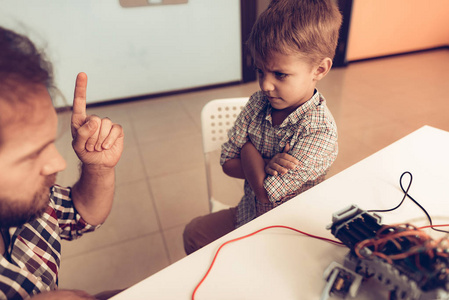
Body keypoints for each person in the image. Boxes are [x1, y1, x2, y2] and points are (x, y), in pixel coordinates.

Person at [183, 0, 342, 254]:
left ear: (319, 69)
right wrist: (263, 164)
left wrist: (247, 151)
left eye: (280, 74)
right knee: (193, 234)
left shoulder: (319, 132)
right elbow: (227, 163)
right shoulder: (258, 103)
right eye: (260, 70)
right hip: (249, 214)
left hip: (291, 233)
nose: (265, 85)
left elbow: (267, 192)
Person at [0, 26, 124, 299]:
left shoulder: (20, 199)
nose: (59, 162)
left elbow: (80, 216)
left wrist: (99, 168)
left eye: (49, 144)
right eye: (32, 154)